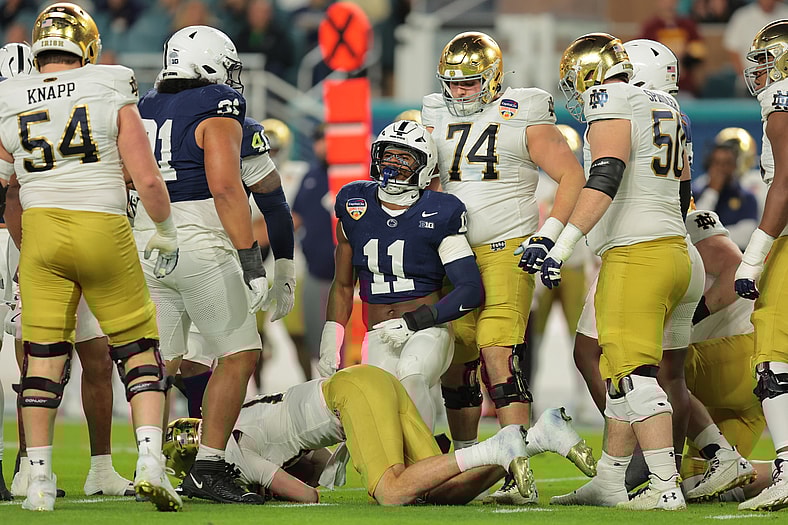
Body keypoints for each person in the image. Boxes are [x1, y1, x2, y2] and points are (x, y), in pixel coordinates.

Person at [0, 2, 181, 512]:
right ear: (87, 45)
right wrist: (165, 229)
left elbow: (1, 182)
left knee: (42, 360)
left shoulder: (9, 95)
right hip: (102, 224)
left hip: (40, 237)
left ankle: (36, 480)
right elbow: (145, 176)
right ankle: (150, 461)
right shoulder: (109, 81)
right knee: (139, 349)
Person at [421, 31, 586, 504]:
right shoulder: (433, 111)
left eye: (470, 82)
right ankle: (472, 461)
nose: (459, 91)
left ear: (493, 77)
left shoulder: (524, 108)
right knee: (457, 362)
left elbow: (571, 175)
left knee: (498, 354)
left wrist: (547, 236)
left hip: (505, 247)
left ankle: (518, 471)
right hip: (450, 253)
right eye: (452, 83)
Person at [133, 24, 294, 505]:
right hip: (200, 243)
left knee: (160, 363)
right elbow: (227, 187)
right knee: (241, 353)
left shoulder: (144, 107)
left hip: (148, 240)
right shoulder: (219, 105)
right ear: (210, 63)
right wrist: (253, 262)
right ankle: (207, 465)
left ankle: (150, 461)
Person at [547, 33, 691, 510]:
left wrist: (561, 243)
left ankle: (664, 487)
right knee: (620, 370)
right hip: (673, 248)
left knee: (632, 375)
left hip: (638, 252)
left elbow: (606, 172)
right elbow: (683, 191)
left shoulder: (609, 96)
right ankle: (610, 478)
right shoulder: (668, 106)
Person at [163, 364, 596, 505]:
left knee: (391, 491)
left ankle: (502, 444)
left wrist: (259, 487)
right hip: (369, 381)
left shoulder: (230, 452)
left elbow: (307, 495)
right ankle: (539, 436)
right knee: (443, 491)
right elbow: (311, 463)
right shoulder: (238, 422)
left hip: (349, 395)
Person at [317, 120, 484, 435]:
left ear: (425, 166)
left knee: (412, 374)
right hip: (378, 333)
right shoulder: (356, 204)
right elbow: (342, 285)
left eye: (404, 157)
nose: (393, 164)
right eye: (389, 155)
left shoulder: (439, 211)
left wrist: (414, 322)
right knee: (379, 409)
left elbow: (470, 289)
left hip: (427, 330)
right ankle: (423, 456)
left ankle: (428, 463)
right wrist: (332, 336)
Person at [734, 18, 788, 511]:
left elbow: (786, 183)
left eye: (767, 60)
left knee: (774, 358)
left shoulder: (783, 99)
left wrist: (753, 257)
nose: (760, 72)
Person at [292, 124, 334, 381]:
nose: (322, 145)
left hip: (352, 277)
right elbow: (295, 218)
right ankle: (321, 390)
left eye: (326, 139)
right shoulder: (311, 175)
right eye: (318, 139)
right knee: (316, 337)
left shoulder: (354, 171)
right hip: (316, 271)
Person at [693, 143, 760, 250]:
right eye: (717, 163)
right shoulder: (695, 193)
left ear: (735, 166)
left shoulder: (747, 198)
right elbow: (696, 228)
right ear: (709, 166)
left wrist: (708, 237)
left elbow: (745, 237)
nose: (721, 169)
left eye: (727, 163)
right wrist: (712, 192)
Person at [639, 0, 706, 96]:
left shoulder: (688, 26)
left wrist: (685, 55)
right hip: (657, 88)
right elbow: (642, 53)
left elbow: (699, 52)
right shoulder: (650, 28)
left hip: (684, 85)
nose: (669, 4)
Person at [723, 0, 788, 96]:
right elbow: (732, 49)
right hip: (750, 84)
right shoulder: (742, 16)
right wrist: (746, 77)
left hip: (783, 82)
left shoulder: (785, 12)